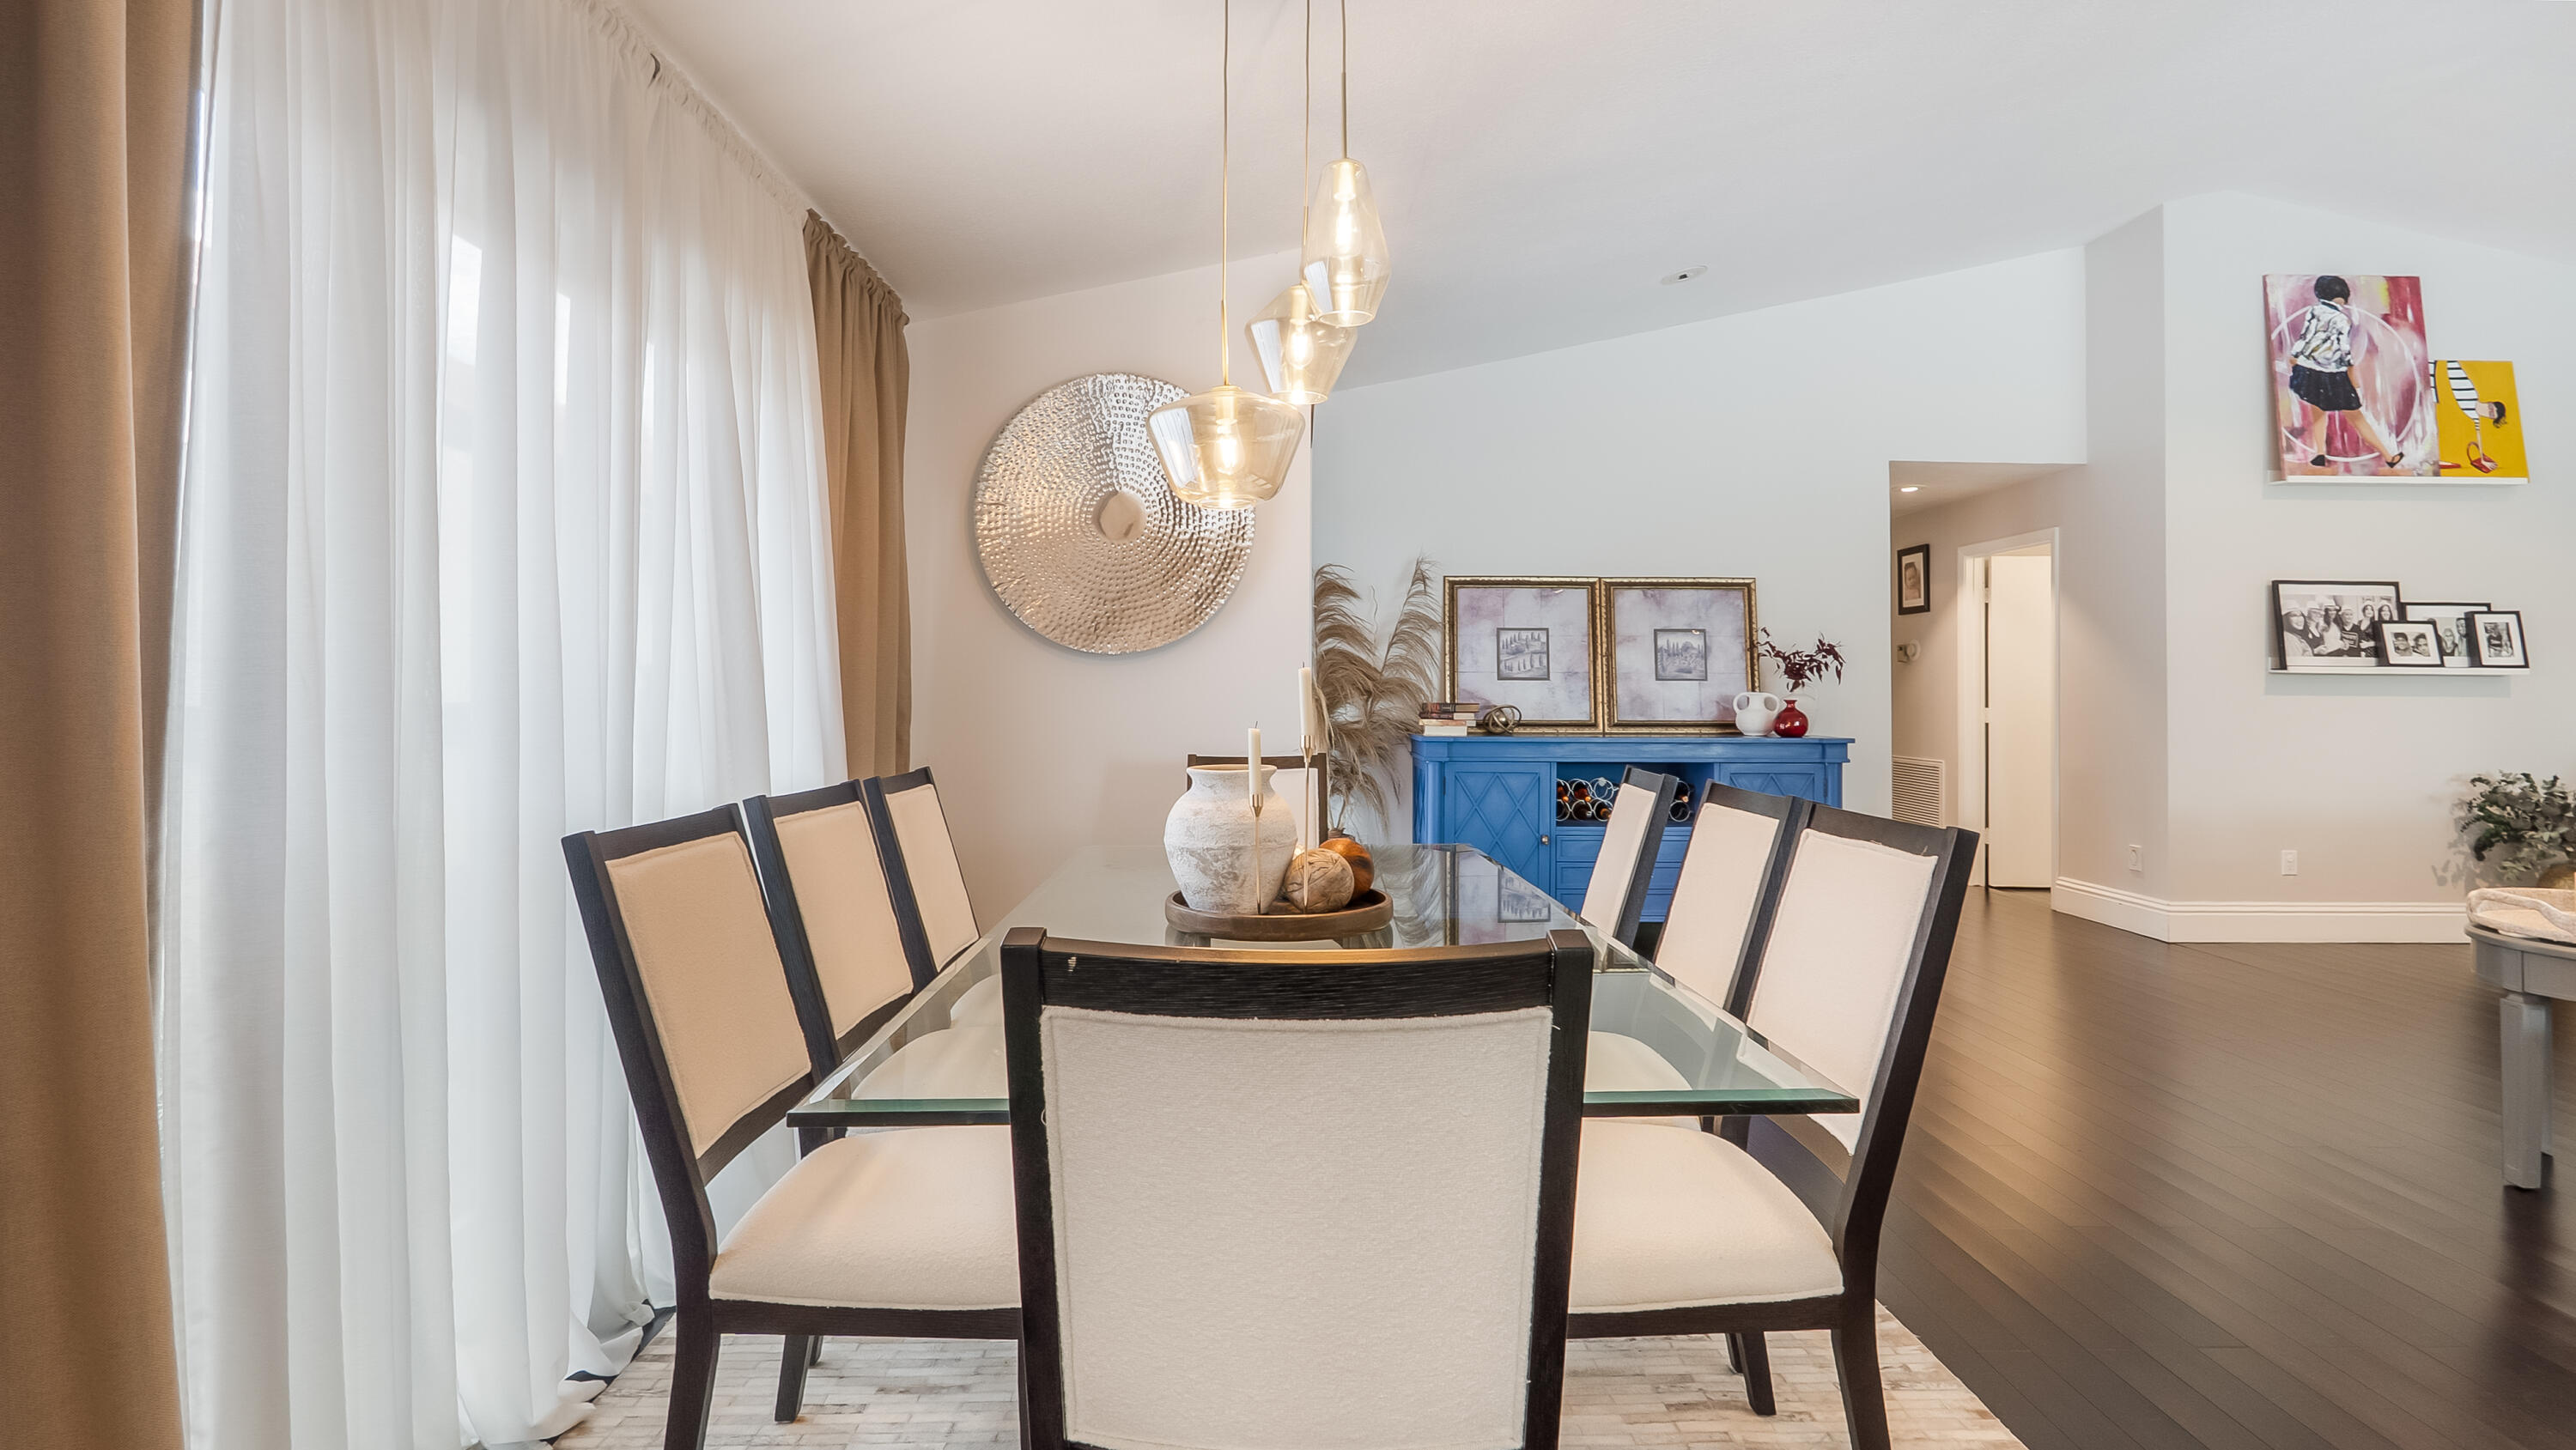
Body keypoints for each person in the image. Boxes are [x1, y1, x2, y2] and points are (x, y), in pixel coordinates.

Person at [2287, 276, 2403, 470]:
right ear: (2342, 296)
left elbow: (2306, 336)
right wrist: (2350, 368)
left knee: (2318, 410)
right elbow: (2343, 349)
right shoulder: (2342, 319)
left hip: (2309, 368)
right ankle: (2388, 456)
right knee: (2356, 416)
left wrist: (2295, 354)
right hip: (2333, 373)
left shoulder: (2313, 311)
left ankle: (2320, 454)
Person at [2437, 359, 2509, 475]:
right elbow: (2453, 368)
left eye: (2491, 414)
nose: (2488, 411)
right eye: (2491, 408)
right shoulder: (2471, 393)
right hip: (2437, 379)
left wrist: (2483, 460)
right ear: (2489, 403)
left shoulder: (2475, 418)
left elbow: (2478, 440)